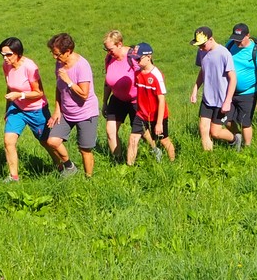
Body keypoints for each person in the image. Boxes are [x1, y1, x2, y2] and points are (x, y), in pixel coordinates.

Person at [46, 32, 99, 177]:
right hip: (66, 112)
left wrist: (68, 81)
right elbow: (59, 88)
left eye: (57, 54)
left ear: (68, 51)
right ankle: (70, 167)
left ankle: (89, 179)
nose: (54, 57)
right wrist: (57, 110)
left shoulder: (82, 66)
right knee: (52, 141)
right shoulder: (60, 63)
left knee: (85, 150)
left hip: (86, 113)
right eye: (53, 53)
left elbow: (84, 94)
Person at [0, 36, 52, 181]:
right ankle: (13, 177)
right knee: (8, 141)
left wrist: (20, 95)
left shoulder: (30, 67)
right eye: (2, 55)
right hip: (17, 108)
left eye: (8, 54)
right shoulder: (6, 66)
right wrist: (7, 110)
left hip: (36, 109)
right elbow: (10, 88)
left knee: (46, 141)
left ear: (18, 52)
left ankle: (61, 166)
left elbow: (39, 93)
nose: (5, 58)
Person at [190, 26, 239, 150]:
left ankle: (234, 139)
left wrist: (227, 101)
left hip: (221, 100)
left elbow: (233, 79)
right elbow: (203, 71)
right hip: (207, 99)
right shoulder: (201, 52)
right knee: (203, 129)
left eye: (203, 45)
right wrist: (195, 89)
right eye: (198, 46)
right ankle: (208, 158)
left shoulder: (224, 53)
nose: (200, 48)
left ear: (211, 39)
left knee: (215, 132)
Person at [128, 43, 176, 165]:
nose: (136, 61)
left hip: (157, 115)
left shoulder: (156, 75)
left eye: (138, 58)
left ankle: (173, 163)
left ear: (148, 57)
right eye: (135, 59)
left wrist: (159, 123)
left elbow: (161, 100)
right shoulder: (137, 73)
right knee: (133, 139)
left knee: (164, 141)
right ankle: (129, 169)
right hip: (141, 114)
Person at [225, 24, 257, 149]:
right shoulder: (230, 46)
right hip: (230, 92)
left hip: (248, 93)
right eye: (235, 39)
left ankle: (247, 148)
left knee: (245, 122)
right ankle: (237, 136)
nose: (237, 42)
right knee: (226, 120)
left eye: (240, 39)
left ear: (248, 36)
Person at [101, 30, 139, 160]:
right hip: (117, 99)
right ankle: (118, 161)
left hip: (136, 100)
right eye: (106, 49)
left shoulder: (133, 57)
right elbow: (107, 83)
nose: (108, 52)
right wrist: (104, 102)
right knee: (110, 131)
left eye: (110, 49)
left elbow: (144, 76)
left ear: (119, 44)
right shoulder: (109, 59)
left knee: (143, 132)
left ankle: (154, 149)